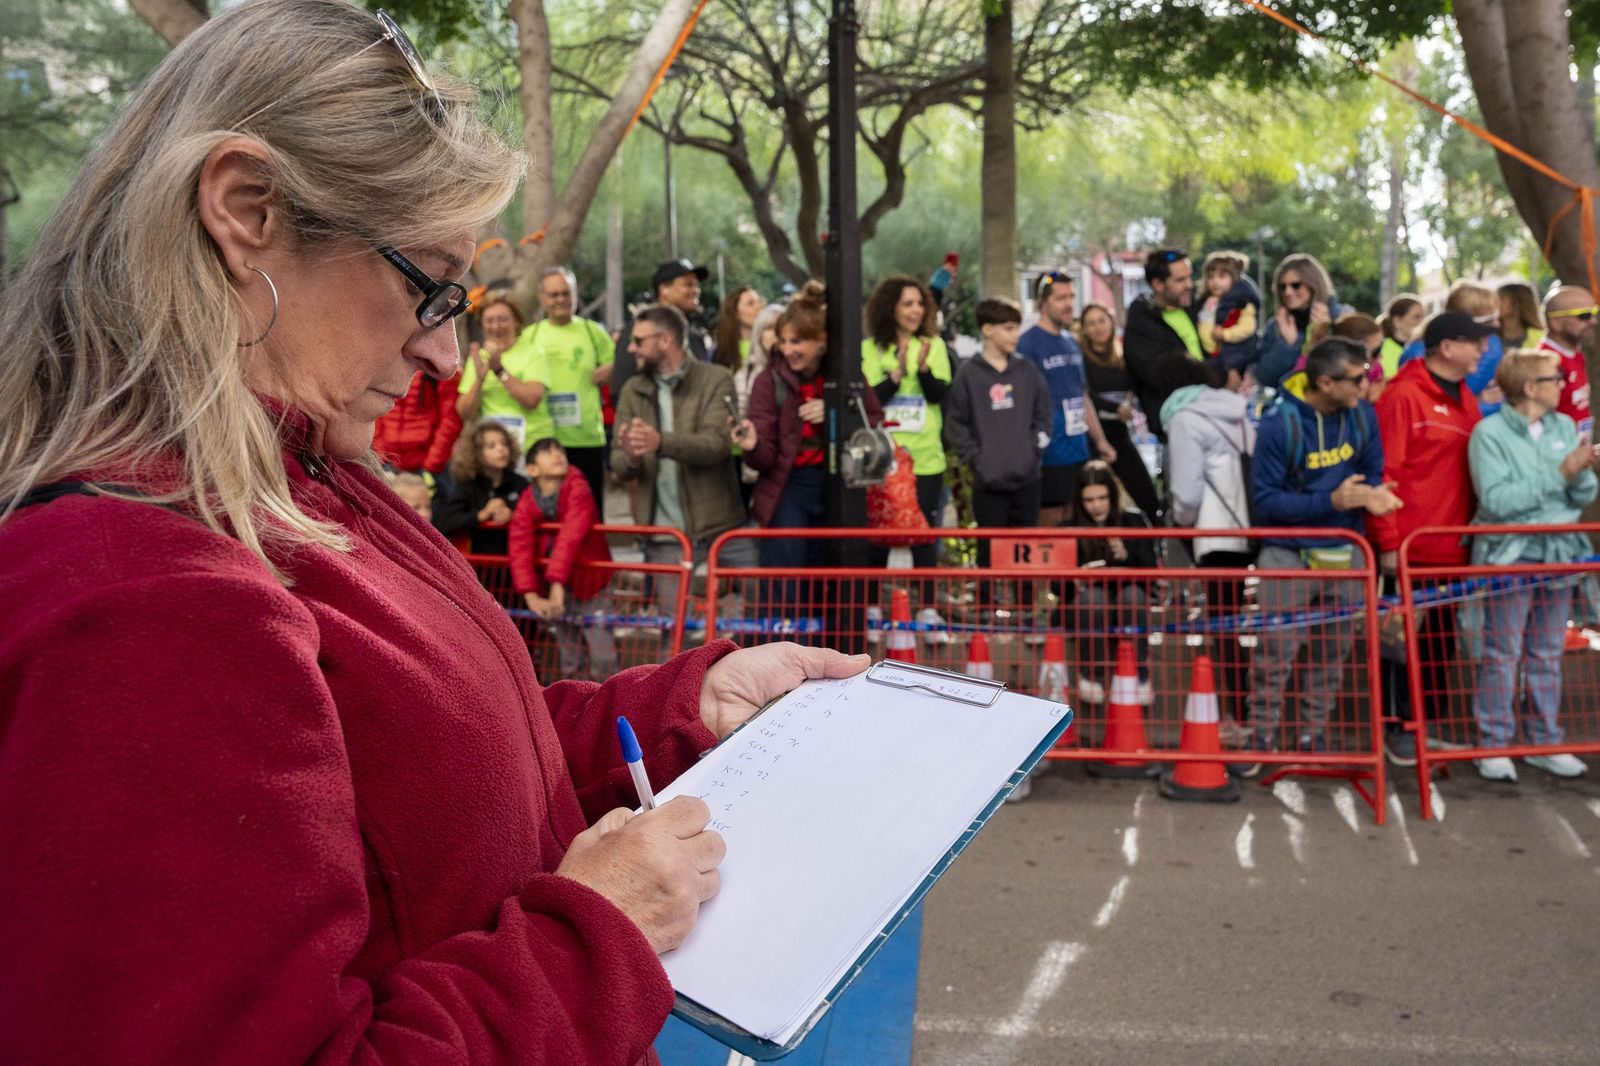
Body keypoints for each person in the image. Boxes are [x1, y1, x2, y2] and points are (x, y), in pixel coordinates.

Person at [0, 3, 872, 1060]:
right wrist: (593, 936)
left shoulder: (300, 474)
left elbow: (442, 783)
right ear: (246, 209)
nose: (447, 355)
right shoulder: (145, 598)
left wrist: (683, 709)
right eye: (427, 286)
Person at [1234, 338, 1401, 775]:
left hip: (1347, 551)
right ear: (1325, 383)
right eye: (1357, 378)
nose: (1367, 385)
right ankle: (1261, 736)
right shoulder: (1279, 424)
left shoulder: (1363, 416)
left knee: (1333, 652)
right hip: (1287, 554)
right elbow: (1265, 503)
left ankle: (1314, 735)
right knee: (1274, 652)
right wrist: (1333, 501)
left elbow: (1373, 472)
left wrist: (1373, 495)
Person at [1466, 349, 1597, 781]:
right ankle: (1493, 743)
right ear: (1529, 387)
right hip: (1511, 556)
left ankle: (1545, 741)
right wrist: (1561, 473)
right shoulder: (1488, 434)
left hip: (1560, 554)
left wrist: (1581, 472)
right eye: (1554, 378)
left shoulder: (1565, 426)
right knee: (1502, 654)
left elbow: (1582, 495)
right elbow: (1497, 502)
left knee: (1546, 652)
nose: (1563, 384)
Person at [1368, 310, 1490, 766]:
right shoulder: (1403, 396)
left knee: (1438, 643)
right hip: (1410, 549)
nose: (1483, 351)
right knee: (1400, 644)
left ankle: (1424, 728)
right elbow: (1386, 472)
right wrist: (1387, 541)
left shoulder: (1466, 397)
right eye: (1475, 342)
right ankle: (1398, 728)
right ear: (1446, 347)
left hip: (1451, 549)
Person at [611, 303, 755, 606]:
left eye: (639, 341)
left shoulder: (715, 379)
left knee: (760, 611)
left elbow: (716, 445)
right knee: (673, 624)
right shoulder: (633, 390)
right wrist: (632, 455)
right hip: (664, 534)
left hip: (722, 526)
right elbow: (619, 464)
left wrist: (659, 442)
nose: (631, 348)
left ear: (665, 340)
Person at [737, 282, 883, 568]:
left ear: (821, 341)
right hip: (788, 483)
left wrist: (834, 412)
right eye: (783, 341)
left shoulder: (846, 376)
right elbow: (763, 460)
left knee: (829, 572)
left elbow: (873, 419)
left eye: (797, 342)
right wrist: (752, 445)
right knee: (786, 573)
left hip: (839, 480)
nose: (787, 350)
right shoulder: (769, 381)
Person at [1161, 376, 1256, 731]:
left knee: (1224, 625)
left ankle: (1238, 713)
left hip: (1214, 534)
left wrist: (1182, 523)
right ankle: (1248, 709)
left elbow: (1186, 493)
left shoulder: (1184, 420)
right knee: (1240, 622)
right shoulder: (1237, 413)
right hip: (1248, 528)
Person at [943, 297, 1052, 566]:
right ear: (987, 329)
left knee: (1025, 556)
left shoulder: (1027, 371)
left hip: (1027, 480)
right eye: (1008, 328)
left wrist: (1034, 451)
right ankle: (988, 597)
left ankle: (1023, 597)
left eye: (1016, 328)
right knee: (988, 556)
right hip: (987, 483)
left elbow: (1044, 416)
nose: (1015, 335)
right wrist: (977, 460)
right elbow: (956, 423)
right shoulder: (969, 374)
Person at [509, 437, 619, 681]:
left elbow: (570, 536)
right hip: (558, 585)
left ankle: (612, 697)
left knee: (602, 655)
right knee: (570, 656)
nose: (557, 454)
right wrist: (530, 594)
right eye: (547, 452)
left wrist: (555, 584)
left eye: (559, 450)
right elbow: (519, 546)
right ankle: (577, 701)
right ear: (532, 470)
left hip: (592, 583)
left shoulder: (578, 487)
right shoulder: (528, 499)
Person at [861, 274, 953, 561]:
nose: (916, 311)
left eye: (920, 304)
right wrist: (895, 377)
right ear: (890, 308)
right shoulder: (869, 349)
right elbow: (869, 400)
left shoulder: (934, 345)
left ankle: (923, 592)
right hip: (882, 458)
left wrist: (923, 370)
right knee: (877, 538)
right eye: (908, 304)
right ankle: (873, 592)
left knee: (924, 539)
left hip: (925, 458)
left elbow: (939, 394)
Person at [1017, 270, 1116, 526]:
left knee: (1079, 521)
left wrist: (1100, 441)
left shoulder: (1072, 343)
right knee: (1051, 526)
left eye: (1071, 297)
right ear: (1043, 302)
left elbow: (1082, 395)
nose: (1069, 304)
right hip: (1048, 455)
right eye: (1061, 298)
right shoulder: (1026, 345)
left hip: (1078, 451)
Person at [516, 266, 615, 503]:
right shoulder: (530, 335)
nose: (560, 299)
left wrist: (610, 370)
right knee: (547, 509)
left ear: (575, 294)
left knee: (589, 507)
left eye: (566, 293)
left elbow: (617, 366)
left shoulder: (593, 332)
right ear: (542, 298)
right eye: (554, 294)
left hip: (586, 437)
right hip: (544, 438)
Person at [1067, 461, 1157, 705]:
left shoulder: (1133, 521)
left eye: (1102, 498)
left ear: (1112, 496)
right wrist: (1075, 577)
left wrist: (1125, 555)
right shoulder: (1069, 528)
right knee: (1093, 599)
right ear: (1080, 502)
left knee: (1132, 596)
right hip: (1089, 602)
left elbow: (1150, 570)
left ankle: (1140, 676)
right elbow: (1057, 587)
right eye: (1089, 500)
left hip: (1128, 595)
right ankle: (1090, 676)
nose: (1096, 506)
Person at [1123, 249, 1220, 439]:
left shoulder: (1195, 307)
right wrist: (1211, 373)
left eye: (1189, 277)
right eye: (1180, 280)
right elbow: (1160, 373)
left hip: (1212, 413)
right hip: (1178, 424)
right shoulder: (1141, 321)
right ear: (1158, 284)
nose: (1189, 285)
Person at [1079, 302, 1163, 518]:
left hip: (1120, 433)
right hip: (1092, 436)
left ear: (1111, 322)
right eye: (1091, 323)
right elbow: (1085, 394)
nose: (1098, 327)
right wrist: (1115, 407)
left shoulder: (1124, 355)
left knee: (1147, 496)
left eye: (1102, 321)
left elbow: (1137, 387)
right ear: (1084, 329)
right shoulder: (1080, 358)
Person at [456, 292, 548, 456]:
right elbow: (464, 412)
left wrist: (499, 370)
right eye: (489, 321)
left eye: (502, 319)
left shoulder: (534, 353)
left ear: (516, 322)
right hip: (495, 451)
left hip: (532, 446)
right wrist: (479, 380)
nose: (495, 326)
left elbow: (532, 400)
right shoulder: (478, 358)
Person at [612, 258, 712, 397]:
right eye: (688, 284)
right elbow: (621, 388)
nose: (696, 290)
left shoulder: (693, 332)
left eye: (696, 285)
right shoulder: (640, 329)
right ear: (664, 288)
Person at [1398, 281, 1504, 411]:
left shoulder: (1418, 343)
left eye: (1497, 316)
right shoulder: (1418, 351)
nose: (1497, 324)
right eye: (1490, 319)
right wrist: (1476, 402)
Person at [433, 420, 529, 554]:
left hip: (512, 559)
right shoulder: (468, 486)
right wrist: (481, 515)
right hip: (478, 560)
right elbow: (444, 521)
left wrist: (513, 514)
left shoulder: (520, 483)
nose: (501, 449)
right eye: (491, 446)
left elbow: (536, 514)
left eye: (504, 444)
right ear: (476, 452)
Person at [1256, 253, 1341, 389]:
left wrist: (1325, 331)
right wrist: (1288, 346)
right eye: (1282, 287)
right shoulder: (1276, 325)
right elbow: (1264, 378)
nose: (1288, 292)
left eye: (1295, 285)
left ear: (1313, 285)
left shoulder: (1340, 317)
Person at [372, 361, 462, 482]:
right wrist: (381, 454)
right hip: (389, 464)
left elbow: (450, 420)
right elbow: (377, 410)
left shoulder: (440, 366)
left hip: (428, 467)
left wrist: (432, 464)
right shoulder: (387, 362)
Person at [1538, 285, 1597, 439]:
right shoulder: (1542, 362)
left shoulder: (1575, 354)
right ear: (1556, 322)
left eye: (1595, 313)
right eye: (1584, 316)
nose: (1593, 321)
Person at [1196, 250, 1261, 378]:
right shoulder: (1207, 301)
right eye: (1211, 276)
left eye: (1222, 276)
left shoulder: (1242, 303)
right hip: (1210, 354)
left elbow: (1248, 328)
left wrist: (1225, 334)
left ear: (1234, 278)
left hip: (1233, 356)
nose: (1215, 281)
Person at [1331, 312, 1386, 402]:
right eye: (1376, 351)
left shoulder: (1376, 369)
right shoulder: (1330, 372)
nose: (1381, 355)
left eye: (1381, 347)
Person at [711, 285, 765, 371]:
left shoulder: (769, 344)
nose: (758, 306)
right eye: (750, 303)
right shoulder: (721, 350)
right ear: (735, 313)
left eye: (759, 301)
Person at [1377, 293, 1426, 382]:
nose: (1422, 322)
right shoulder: (1384, 349)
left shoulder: (1422, 346)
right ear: (1397, 321)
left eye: (1423, 317)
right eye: (1416, 317)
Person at [1498, 281, 1545, 352]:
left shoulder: (1541, 337)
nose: (1495, 303)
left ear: (1517, 302)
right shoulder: (1488, 335)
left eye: (1501, 299)